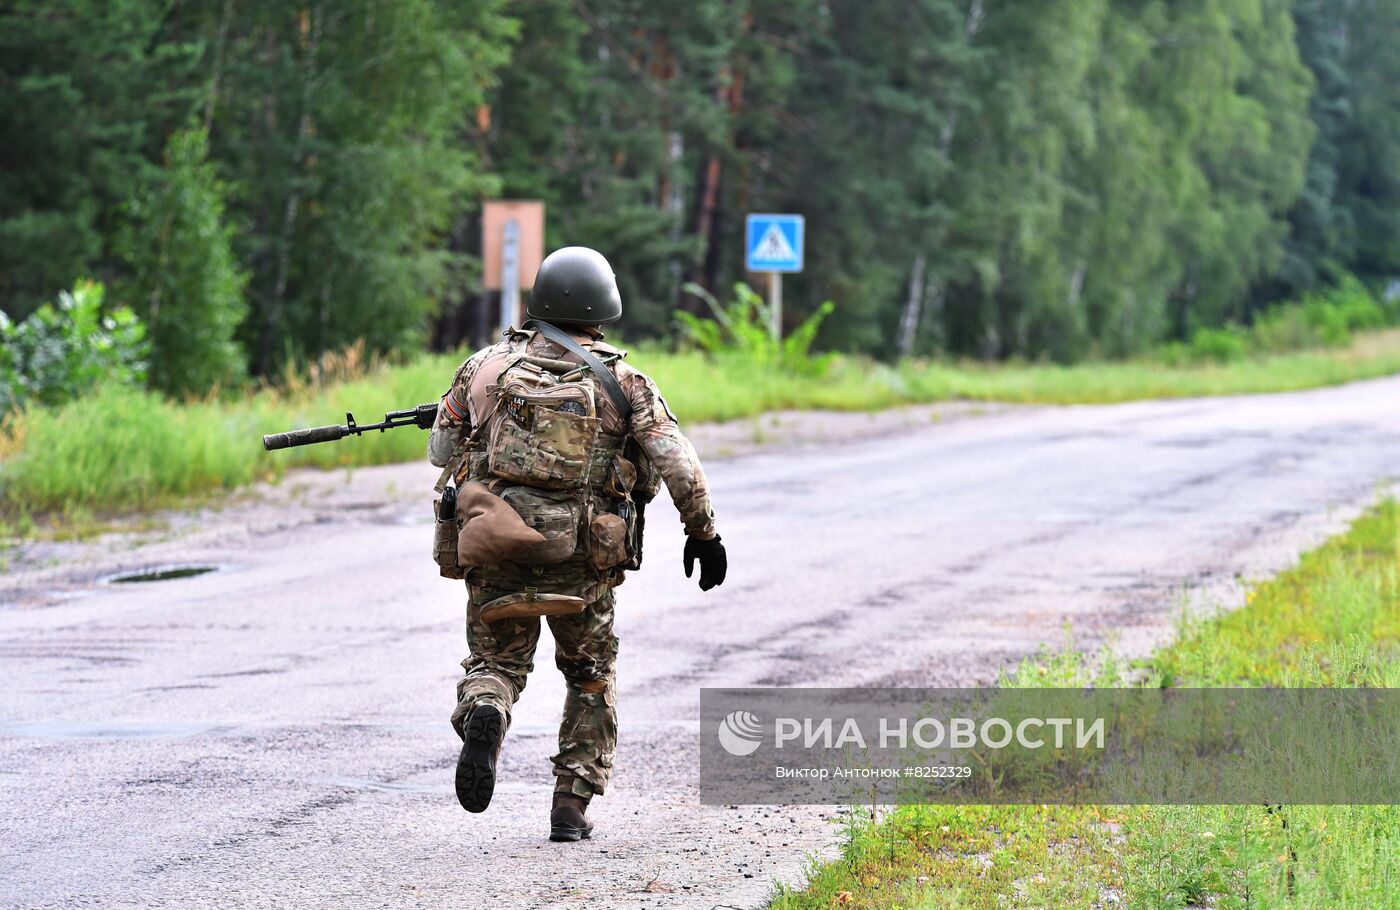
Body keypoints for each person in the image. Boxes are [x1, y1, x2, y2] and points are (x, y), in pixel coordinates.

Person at [427, 246, 727, 841]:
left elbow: (442, 451)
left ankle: (487, 706)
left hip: (498, 549)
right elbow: (676, 460)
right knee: (589, 674)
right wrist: (704, 532)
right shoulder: (626, 381)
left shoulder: (485, 367)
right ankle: (571, 803)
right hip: (582, 561)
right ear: (604, 307)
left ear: (540, 299)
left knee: (496, 661)